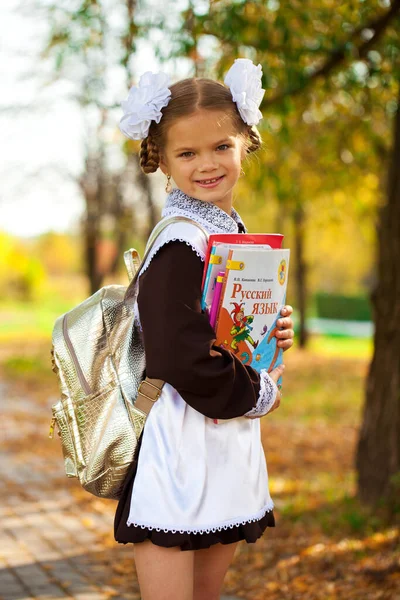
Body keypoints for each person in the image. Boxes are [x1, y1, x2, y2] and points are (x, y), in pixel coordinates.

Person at [114, 59, 295, 600]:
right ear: (163, 162)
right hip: (178, 453)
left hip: (225, 447)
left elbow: (223, 334)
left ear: (245, 143)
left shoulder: (231, 234)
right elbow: (178, 356)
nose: (207, 164)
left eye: (221, 146)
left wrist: (270, 331)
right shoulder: (179, 243)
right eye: (187, 153)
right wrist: (261, 392)